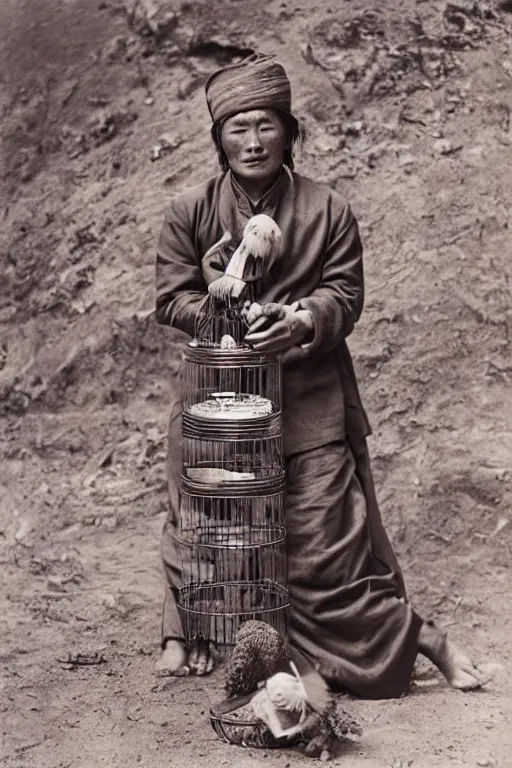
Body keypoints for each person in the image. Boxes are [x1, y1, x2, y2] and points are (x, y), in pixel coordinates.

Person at [154, 53, 485, 697]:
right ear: (219, 139)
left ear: (290, 132)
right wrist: (223, 305)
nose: (252, 142)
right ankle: (190, 630)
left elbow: (346, 294)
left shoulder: (328, 208)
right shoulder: (190, 210)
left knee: (319, 559)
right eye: (237, 128)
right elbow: (171, 299)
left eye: (266, 126)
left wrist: (301, 321)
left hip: (310, 406)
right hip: (221, 405)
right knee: (209, 522)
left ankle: (419, 638)